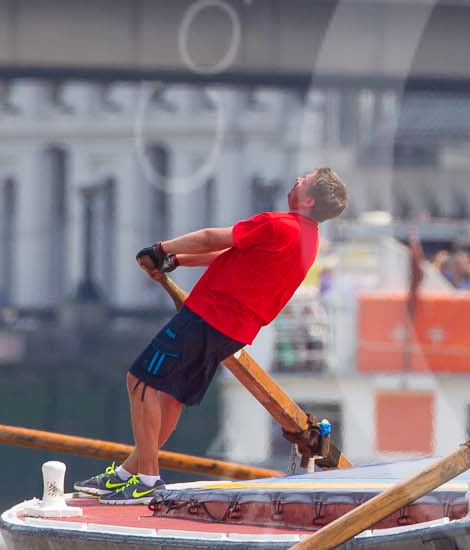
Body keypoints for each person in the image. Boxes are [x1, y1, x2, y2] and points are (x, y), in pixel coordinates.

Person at [76, 167, 349, 501]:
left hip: (208, 315)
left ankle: (147, 479)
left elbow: (211, 238)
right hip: (232, 332)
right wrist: (176, 260)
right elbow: (232, 256)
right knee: (172, 394)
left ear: (308, 199)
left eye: (304, 180)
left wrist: (160, 249)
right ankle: (128, 473)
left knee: (140, 380)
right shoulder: (309, 240)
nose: (297, 179)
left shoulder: (279, 224)